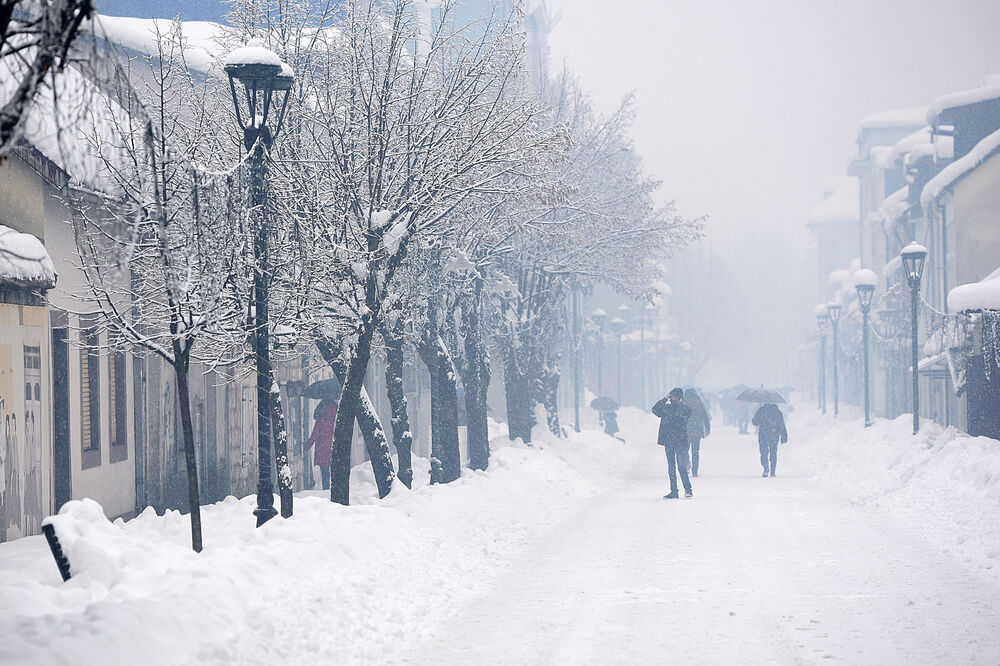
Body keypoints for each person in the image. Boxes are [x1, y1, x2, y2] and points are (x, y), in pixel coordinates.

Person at [652, 387, 693, 498]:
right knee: (671, 467)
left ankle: (687, 489)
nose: (674, 398)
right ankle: (674, 490)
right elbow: (655, 410)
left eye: (675, 396)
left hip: (679, 441)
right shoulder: (666, 408)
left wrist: (672, 401)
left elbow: (687, 413)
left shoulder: (683, 409)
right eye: (672, 396)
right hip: (670, 441)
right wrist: (665, 399)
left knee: (680, 466)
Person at [305, 398, 338, 490]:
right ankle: (336, 489)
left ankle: (326, 490)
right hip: (335, 449)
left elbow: (314, 436)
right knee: (335, 472)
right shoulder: (337, 420)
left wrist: (307, 447)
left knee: (325, 473)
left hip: (322, 451)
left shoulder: (320, 421)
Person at [752, 402, 788, 477]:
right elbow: (781, 424)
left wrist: (758, 416)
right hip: (774, 434)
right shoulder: (777, 412)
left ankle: (766, 468)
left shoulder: (761, 410)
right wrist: (784, 435)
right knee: (773, 452)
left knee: (764, 452)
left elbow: (755, 422)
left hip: (763, 434)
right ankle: (773, 470)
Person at [683, 388, 711, 477]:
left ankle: (686, 462)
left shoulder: (683, 403)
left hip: (685, 430)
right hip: (697, 430)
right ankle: (695, 471)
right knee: (695, 451)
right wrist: (708, 428)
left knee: (684, 449)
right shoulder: (698, 402)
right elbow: (705, 415)